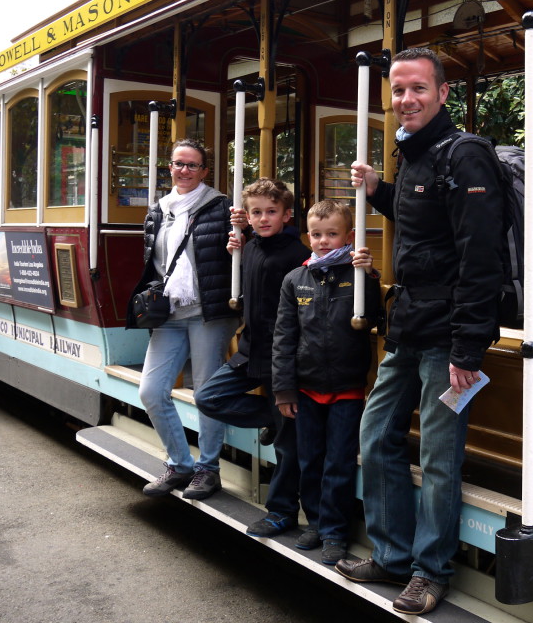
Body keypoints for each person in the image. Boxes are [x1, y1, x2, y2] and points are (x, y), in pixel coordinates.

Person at [337, 48, 503, 615]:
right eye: (398, 91)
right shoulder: (416, 156)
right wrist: (380, 188)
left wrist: (467, 347)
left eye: (418, 90)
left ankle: (429, 571)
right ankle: (390, 553)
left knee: (438, 457)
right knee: (375, 434)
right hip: (407, 325)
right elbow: (421, 223)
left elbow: (480, 261)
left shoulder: (467, 156)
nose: (406, 99)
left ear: (443, 94)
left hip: (446, 338)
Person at [194, 178, 311, 536]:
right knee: (208, 397)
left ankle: (281, 512)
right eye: (256, 212)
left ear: (287, 215)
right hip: (250, 351)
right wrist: (239, 249)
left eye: (271, 212)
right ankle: (271, 419)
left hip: (281, 358)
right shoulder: (251, 247)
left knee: (287, 448)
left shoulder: (295, 255)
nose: (263, 218)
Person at [127, 139, 240, 500]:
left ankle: (208, 469)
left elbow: (238, 253)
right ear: (170, 168)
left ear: (205, 171)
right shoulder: (158, 211)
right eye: (179, 164)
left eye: (193, 165)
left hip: (208, 314)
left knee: (206, 393)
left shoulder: (222, 207)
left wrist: (243, 234)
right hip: (169, 314)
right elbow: (155, 263)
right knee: (151, 391)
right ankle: (179, 463)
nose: (185, 171)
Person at [272, 199, 380, 566]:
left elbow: (376, 319)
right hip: (304, 390)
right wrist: (284, 389)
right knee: (310, 460)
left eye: (332, 235)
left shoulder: (359, 274)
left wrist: (371, 275)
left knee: (339, 463)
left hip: (347, 390)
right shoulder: (295, 279)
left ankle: (335, 531)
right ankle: (315, 522)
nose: (322, 241)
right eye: (316, 234)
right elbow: (284, 337)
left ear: (349, 236)